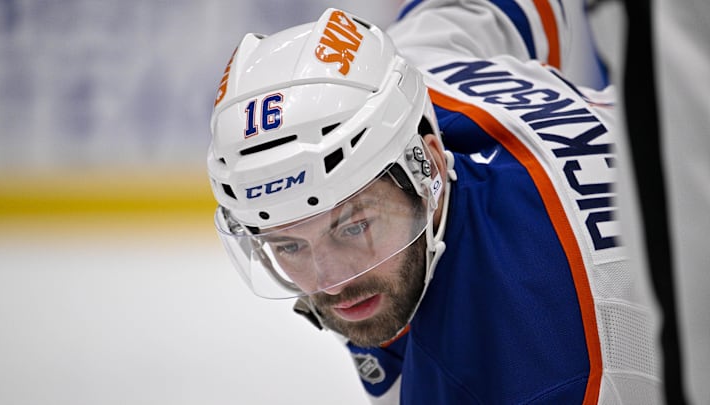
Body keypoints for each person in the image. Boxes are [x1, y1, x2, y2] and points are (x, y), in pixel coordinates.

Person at [206, 2, 662, 403]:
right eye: (288, 246)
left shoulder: (546, 374)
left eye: (354, 226)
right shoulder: (407, 75)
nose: (330, 283)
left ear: (431, 169)